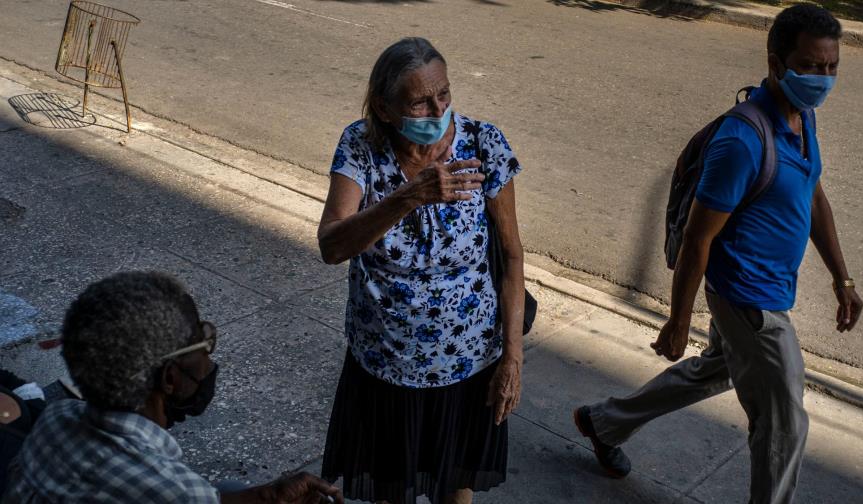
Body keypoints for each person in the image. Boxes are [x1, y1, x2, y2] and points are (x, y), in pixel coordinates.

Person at [573, 5, 863, 503]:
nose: (824, 78)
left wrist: (843, 278)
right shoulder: (743, 140)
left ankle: (604, 423)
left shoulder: (802, 117)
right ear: (776, 64)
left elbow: (812, 194)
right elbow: (696, 238)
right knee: (784, 426)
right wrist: (678, 320)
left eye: (832, 66)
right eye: (813, 66)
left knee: (718, 369)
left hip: (767, 291)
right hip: (750, 301)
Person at [317, 37, 525, 504]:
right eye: (420, 102)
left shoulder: (483, 143)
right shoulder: (361, 146)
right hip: (387, 364)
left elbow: (512, 255)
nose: (438, 110)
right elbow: (332, 246)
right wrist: (407, 197)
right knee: (394, 489)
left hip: (470, 362)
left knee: (457, 486)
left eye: (444, 94)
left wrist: (512, 357)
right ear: (386, 109)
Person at [2, 271, 343, 504]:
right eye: (202, 343)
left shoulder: (59, 416)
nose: (208, 360)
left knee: (230, 490)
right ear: (169, 378)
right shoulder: (170, 492)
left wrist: (266, 497)